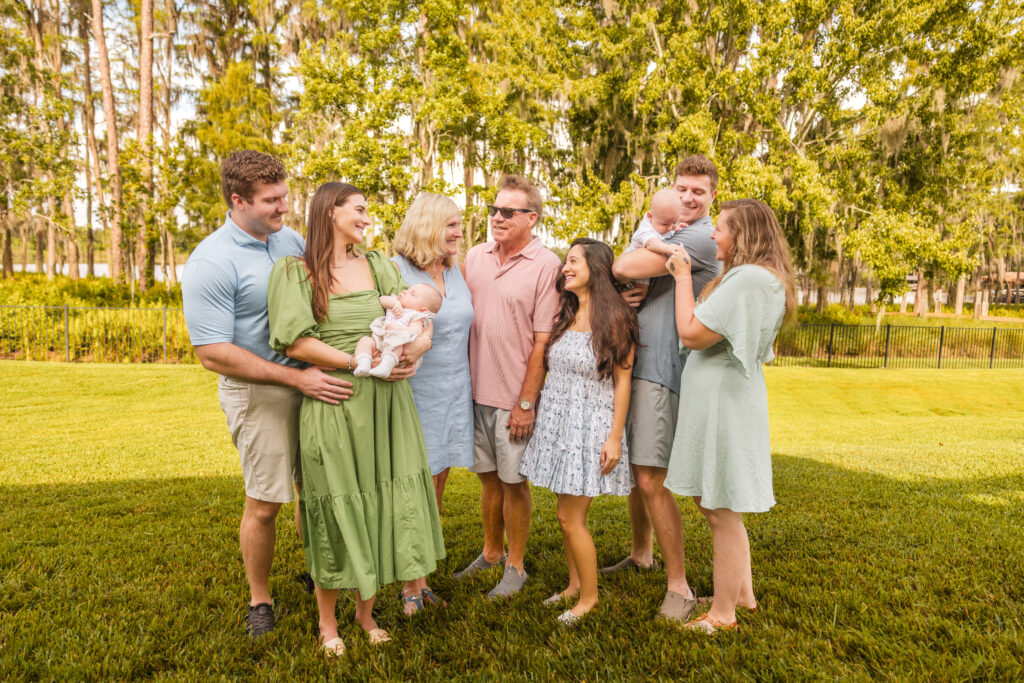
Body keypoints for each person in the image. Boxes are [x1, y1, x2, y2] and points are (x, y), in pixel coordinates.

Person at [266, 181, 445, 656]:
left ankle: (366, 616)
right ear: (330, 212)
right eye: (360, 209)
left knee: (381, 503)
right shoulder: (295, 272)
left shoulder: (379, 264)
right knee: (334, 502)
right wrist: (355, 363)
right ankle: (329, 625)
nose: (367, 217)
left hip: (388, 403)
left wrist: (413, 355)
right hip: (335, 397)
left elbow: (419, 321)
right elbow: (294, 342)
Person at [181, 150, 352, 639]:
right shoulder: (211, 261)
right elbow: (212, 352)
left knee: (315, 489)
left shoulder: (289, 240)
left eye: (284, 196)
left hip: (312, 383)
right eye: (271, 200)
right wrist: (296, 378)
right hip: (260, 393)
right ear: (238, 200)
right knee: (265, 501)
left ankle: (317, 570)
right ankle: (260, 599)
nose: (284, 208)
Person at [663, 198, 796, 633]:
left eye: (720, 228)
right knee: (713, 500)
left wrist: (683, 277)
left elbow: (691, 333)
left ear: (743, 235)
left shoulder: (750, 279)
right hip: (719, 398)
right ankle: (741, 594)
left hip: (724, 403)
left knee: (722, 508)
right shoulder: (752, 278)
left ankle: (723, 615)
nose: (713, 235)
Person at [607, 154, 721, 622]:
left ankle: (680, 586)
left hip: (663, 369)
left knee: (652, 477)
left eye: (698, 191)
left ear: (713, 193)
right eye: (682, 189)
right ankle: (641, 553)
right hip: (637, 361)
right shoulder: (670, 230)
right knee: (639, 470)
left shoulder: (700, 237)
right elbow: (629, 277)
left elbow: (622, 263)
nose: (689, 198)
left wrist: (629, 275)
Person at [518, 238, 638, 626]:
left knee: (572, 518)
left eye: (573, 261)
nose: (565, 267)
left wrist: (615, 437)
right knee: (563, 513)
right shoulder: (567, 312)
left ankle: (588, 599)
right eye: (565, 261)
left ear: (596, 270)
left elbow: (623, 381)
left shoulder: (616, 317)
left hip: (591, 428)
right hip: (560, 426)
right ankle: (573, 585)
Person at [455, 174, 561, 599]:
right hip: (473, 392)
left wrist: (526, 402)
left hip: (513, 396)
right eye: (493, 210)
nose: (496, 218)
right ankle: (492, 551)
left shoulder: (547, 265)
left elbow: (543, 341)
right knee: (487, 480)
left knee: (515, 482)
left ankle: (516, 565)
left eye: (508, 212)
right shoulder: (476, 256)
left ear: (531, 218)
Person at [391, 194, 474, 515]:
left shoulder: (458, 271)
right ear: (427, 227)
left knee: (440, 475)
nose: (459, 233)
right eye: (451, 226)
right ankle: (408, 554)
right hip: (414, 392)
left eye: (459, 226)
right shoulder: (394, 270)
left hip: (454, 391)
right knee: (412, 477)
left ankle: (427, 545)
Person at [352, 284, 442, 378]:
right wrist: (394, 303)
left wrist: (400, 329)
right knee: (365, 341)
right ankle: (363, 364)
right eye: (407, 290)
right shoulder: (395, 303)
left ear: (422, 310)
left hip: (396, 344)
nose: (405, 292)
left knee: (397, 346)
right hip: (380, 339)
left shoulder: (416, 316)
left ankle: (385, 367)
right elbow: (381, 300)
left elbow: (416, 331)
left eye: (412, 294)